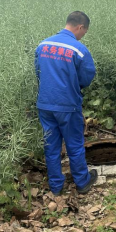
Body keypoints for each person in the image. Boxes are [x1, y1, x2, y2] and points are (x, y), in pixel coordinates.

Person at [35, 11, 98, 195]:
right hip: (68, 105)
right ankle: (82, 182)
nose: (82, 36)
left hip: (45, 104)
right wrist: (74, 85)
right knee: (74, 144)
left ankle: (56, 186)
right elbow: (87, 76)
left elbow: (38, 72)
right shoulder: (78, 50)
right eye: (84, 32)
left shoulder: (43, 45)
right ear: (80, 27)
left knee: (51, 146)